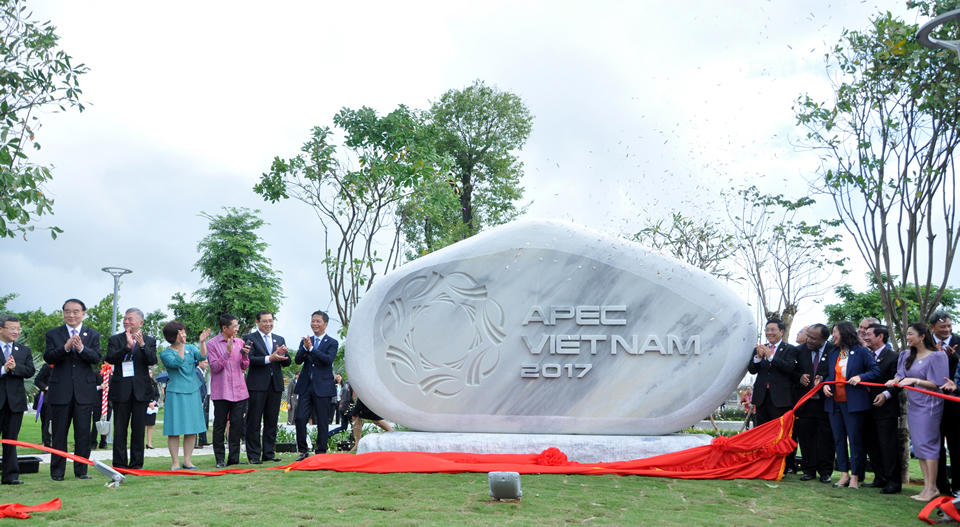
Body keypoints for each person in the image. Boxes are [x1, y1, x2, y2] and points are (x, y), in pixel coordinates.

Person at [888, 322, 949, 502]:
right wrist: (895, 380)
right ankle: (926, 487)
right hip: (914, 405)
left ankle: (933, 487)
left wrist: (914, 380)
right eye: (907, 334)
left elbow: (937, 384)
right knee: (920, 446)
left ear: (922, 336)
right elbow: (900, 374)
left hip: (930, 406)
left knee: (928, 444)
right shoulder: (906, 354)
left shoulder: (937, 356)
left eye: (910, 334)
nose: (907, 337)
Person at [44, 298, 101, 481]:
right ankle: (57, 472)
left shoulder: (92, 334)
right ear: (63, 313)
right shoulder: (54, 334)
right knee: (59, 434)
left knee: (83, 433)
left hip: (84, 392)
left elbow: (96, 358)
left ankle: (81, 470)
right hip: (61, 391)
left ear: (83, 314)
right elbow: (48, 356)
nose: (71, 315)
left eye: (76, 311)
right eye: (67, 311)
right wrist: (65, 348)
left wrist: (81, 348)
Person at [819, 321, 879, 490]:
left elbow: (875, 371)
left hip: (854, 404)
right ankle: (843, 473)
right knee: (839, 440)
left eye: (835, 332)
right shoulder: (833, 353)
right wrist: (825, 384)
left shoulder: (861, 351)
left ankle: (855, 476)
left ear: (844, 333)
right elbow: (828, 375)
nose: (833, 336)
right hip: (834, 403)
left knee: (855, 441)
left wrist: (861, 377)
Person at [104, 307, 158, 470]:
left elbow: (152, 360)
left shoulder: (149, 340)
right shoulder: (115, 339)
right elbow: (110, 359)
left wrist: (141, 345)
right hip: (121, 390)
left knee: (138, 430)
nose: (126, 321)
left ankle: (136, 464)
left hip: (141, 391)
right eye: (125, 319)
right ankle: (119, 464)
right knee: (120, 430)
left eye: (130, 319)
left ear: (140, 323)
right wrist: (127, 347)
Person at [159, 321, 210, 471]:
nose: (184, 334)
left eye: (184, 332)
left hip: (193, 390)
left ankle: (187, 461)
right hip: (175, 392)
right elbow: (178, 363)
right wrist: (181, 344)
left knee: (191, 428)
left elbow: (203, 356)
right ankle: (175, 462)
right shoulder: (165, 353)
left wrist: (202, 342)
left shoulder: (190, 348)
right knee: (174, 429)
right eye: (180, 332)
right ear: (172, 335)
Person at [243, 310, 290, 464]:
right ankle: (254, 455)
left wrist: (283, 354)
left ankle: (269, 453)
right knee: (254, 421)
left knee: (271, 421)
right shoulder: (249, 338)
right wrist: (270, 358)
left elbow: (286, 362)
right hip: (257, 385)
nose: (268, 324)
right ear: (257, 322)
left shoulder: (279, 338)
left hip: (275, 385)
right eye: (265, 321)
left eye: (270, 320)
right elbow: (249, 359)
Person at [861, 324, 902, 494]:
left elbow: (899, 381)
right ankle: (879, 477)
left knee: (888, 445)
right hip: (866, 407)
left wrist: (886, 394)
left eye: (869, 334)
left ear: (880, 337)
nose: (865, 336)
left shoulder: (893, 356)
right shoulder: (865, 355)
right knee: (872, 444)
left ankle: (893, 481)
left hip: (886, 410)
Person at [207, 313, 251, 468]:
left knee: (237, 425)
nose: (237, 329)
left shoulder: (240, 342)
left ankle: (234, 458)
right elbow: (215, 367)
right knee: (219, 425)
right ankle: (220, 459)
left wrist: (245, 356)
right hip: (222, 391)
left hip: (239, 390)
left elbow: (244, 366)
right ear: (224, 328)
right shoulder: (212, 344)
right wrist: (227, 352)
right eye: (235, 326)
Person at [792, 323, 834, 484]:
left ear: (824, 339)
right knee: (806, 437)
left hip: (825, 402)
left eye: (813, 338)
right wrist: (799, 377)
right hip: (805, 403)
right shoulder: (799, 350)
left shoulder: (833, 351)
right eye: (808, 336)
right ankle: (808, 470)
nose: (809, 340)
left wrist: (823, 379)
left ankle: (825, 472)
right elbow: (791, 371)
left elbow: (837, 371)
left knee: (826, 438)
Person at [295, 311, 338, 461]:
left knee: (322, 420)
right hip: (306, 385)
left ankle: (321, 451)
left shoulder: (332, 342)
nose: (315, 324)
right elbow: (298, 360)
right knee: (300, 418)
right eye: (313, 321)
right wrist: (306, 349)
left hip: (323, 386)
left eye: (318, 321)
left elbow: (328, 360)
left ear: (325, 324)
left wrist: (312, 349)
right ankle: (302, 450)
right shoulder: (306, 341)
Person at [0, 315, 36, 485]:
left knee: (11, 440)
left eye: (18, 329)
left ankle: (10, 476)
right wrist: (3, 369)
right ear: (1, 329)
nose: (16, 332)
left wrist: (15, 368)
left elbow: (29, 371)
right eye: (12, 328)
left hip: (15, 402)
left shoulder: (23, 350)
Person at [747, 319, 798, 426]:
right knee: (761, 430)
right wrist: (758, 358)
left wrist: (771, 357)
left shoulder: (790, 349)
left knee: (779, 430)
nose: (769, 333)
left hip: (781, 399)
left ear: (782, 332)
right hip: (761, 398)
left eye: (773, 330)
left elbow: (789, 368)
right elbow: (752, 370)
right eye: (767, 330)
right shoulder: (760, 348)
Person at [930, 311, 960, 495]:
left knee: (956, 447)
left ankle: (958, 488)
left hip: (954, 405)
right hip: (930, 404)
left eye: (949, 326)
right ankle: (941, 486)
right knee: (935, 446)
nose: (947, 329)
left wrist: (953, 358)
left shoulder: (959, 342)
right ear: (933, 327)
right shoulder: (925, 344)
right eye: (943, 327)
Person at [33, 363, 52, 447]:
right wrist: (46, 387)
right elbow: (37, 380)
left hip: (57, 397)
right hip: (47, 398)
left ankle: (48, 441)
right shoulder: (47, 367)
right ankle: (46, 443)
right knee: (46, 421)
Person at [196, 358, 210, 447]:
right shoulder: (196, 372)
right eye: (205, 362)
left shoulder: (201, 372)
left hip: (203, 400)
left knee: (203, 420)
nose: (206, 365)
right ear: (199, 362)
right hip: (199, 401)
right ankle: (196, 441)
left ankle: (203, 439)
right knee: (198, 420)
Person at [145, 368, 160, 449]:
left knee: (150, 426)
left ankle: (149, 443)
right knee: (142, 426)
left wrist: (154, 402)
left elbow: (157, 395)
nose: (150, 374)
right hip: (145, 406)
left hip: (152, 407)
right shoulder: (142, 383)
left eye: (151, 373)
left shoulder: (154, 384)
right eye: (148, 373)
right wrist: (148, 403)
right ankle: (140, 442)